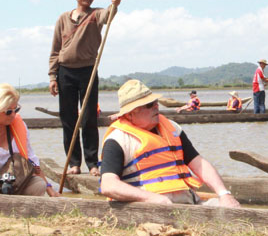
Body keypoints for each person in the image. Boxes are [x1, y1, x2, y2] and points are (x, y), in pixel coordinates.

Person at [99, 79, 240, 207]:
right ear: (130, 114)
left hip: (188, 201)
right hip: (150, 206)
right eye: (149, 105)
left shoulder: (172, 127)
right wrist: (151, 199)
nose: (156, 106)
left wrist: (223, 193)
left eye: (156, 102)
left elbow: (198, 162)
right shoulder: (117, 140)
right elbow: (108, 185)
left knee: (231, 209)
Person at [48, 0, 121, 176]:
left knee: (88, 117)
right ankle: (74, 163)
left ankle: (92, 163)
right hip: (65, 72)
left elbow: (108, 15)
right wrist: (53, 76)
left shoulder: (95, 14)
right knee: (68, 119)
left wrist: (114, 4)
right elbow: (55, 49)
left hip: (88, 70)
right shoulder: (63, 18)